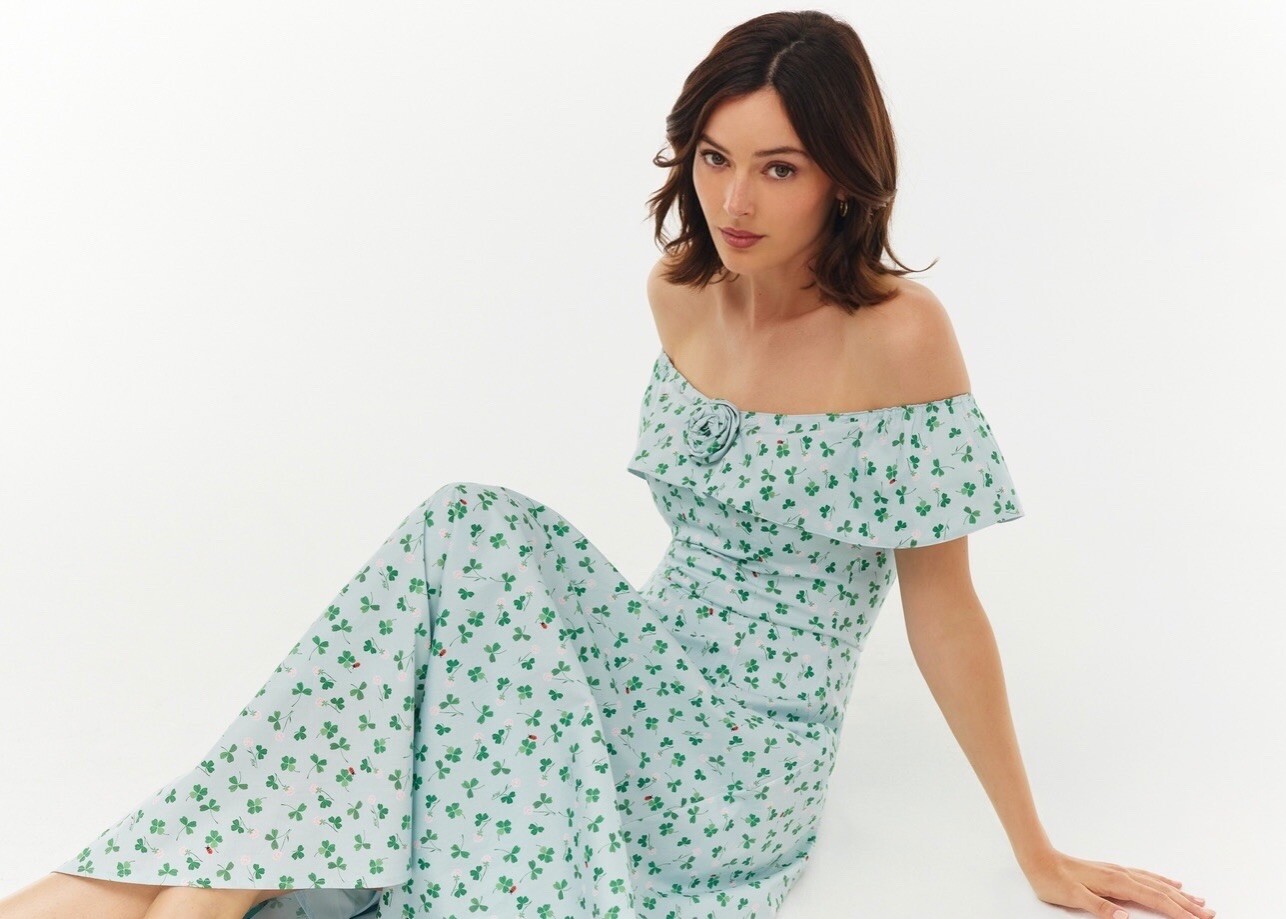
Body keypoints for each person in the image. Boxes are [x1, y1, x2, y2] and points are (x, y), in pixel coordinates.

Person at [0, 10, 1214, 919]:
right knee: (439, 588)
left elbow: (942, 607)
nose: (734, 200)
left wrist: (1034, 850)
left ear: (842, 177)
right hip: (639, 675)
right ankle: (137, 891)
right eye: (714, 157)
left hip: (736, 767)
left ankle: (199, 890)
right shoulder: (680, 294)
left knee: (469, 534)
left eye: (778, 167)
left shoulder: (896, 337)